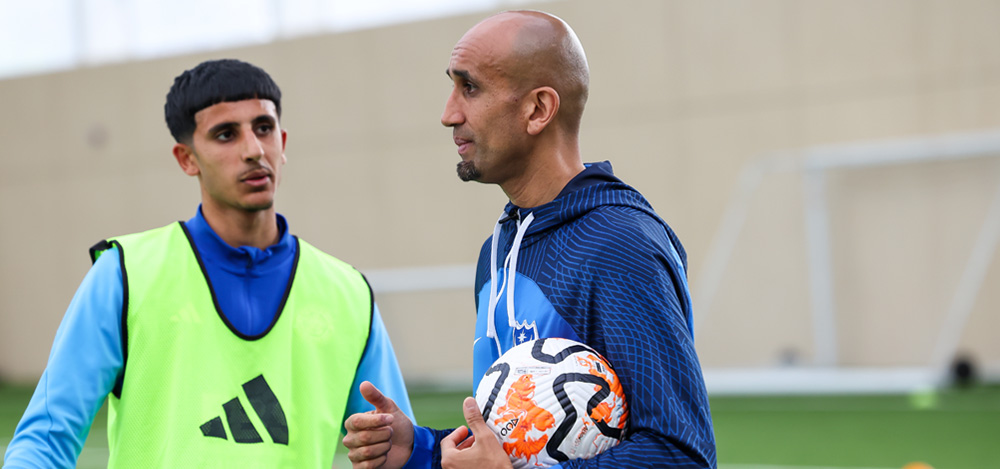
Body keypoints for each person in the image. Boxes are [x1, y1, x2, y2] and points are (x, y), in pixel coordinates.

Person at [343, 10, 716, 469]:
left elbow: (682, 455)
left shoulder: (620, 245)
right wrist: (421, 449)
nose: (448, 114)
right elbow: (521, 441)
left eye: (470, 87)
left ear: (538, 110)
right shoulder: (495, 252)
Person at [2, 58, 413, 468]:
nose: (253, 150)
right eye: (225, 134)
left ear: (282, 143)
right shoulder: (124, 273)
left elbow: (396, 451)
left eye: (263, 128)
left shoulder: (348, 293)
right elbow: (45, 441)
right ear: (187, 158)